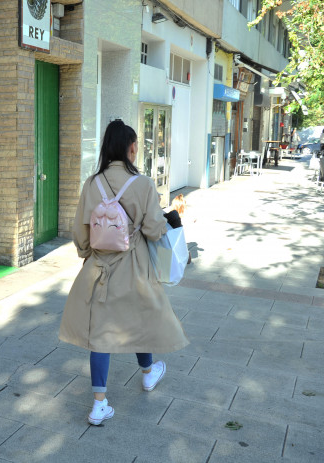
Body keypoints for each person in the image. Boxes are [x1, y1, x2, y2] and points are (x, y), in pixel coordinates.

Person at [58, 120, 189, 426]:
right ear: (131, 147)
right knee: (139, 318)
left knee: (100, 334)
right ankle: (147, 374)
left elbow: (80, 232)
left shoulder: (92, 184)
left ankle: (99, 404)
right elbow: (155, 230)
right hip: (134, 267)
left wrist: (87, 255)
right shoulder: (142, 184)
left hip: (99, 268)